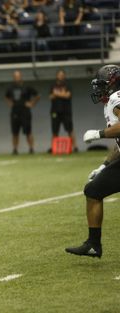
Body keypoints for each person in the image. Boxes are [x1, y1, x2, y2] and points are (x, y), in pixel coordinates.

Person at [65, 64, 120, 258]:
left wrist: (99, 133)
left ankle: (94, 244)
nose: (98, 89)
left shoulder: (116, 98)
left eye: (102, 84)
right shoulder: (112, 101)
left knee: (93, 191)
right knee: (93, 190)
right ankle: (93, 244)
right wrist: (104, 165)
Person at [5, 70, 40, 154]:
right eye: (15, 76)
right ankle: (15, 149)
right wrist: (10, 103)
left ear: (21, 77)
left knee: (28, 132)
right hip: (15, 112)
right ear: (13, 78)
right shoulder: (10, 88)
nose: (17, 78)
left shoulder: (27, 87)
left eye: (18, 76)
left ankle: (31, 149)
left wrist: (32, 103)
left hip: (25, 112)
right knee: (15, 133)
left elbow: (38, 95)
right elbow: (6, 97)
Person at [49, 69, 78, 152]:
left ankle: (75, 147)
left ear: (64, 76)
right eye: (59, 74)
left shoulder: (67, 85)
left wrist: (56, 94)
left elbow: (67, 96)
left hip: (66, 111)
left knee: (70, 129)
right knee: (55, 131)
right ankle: (53, 148)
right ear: (57, 76)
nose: (61, 76)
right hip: (55, 111)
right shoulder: (53, 85)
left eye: (62, 75)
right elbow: (50, 96)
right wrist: (62, 93)